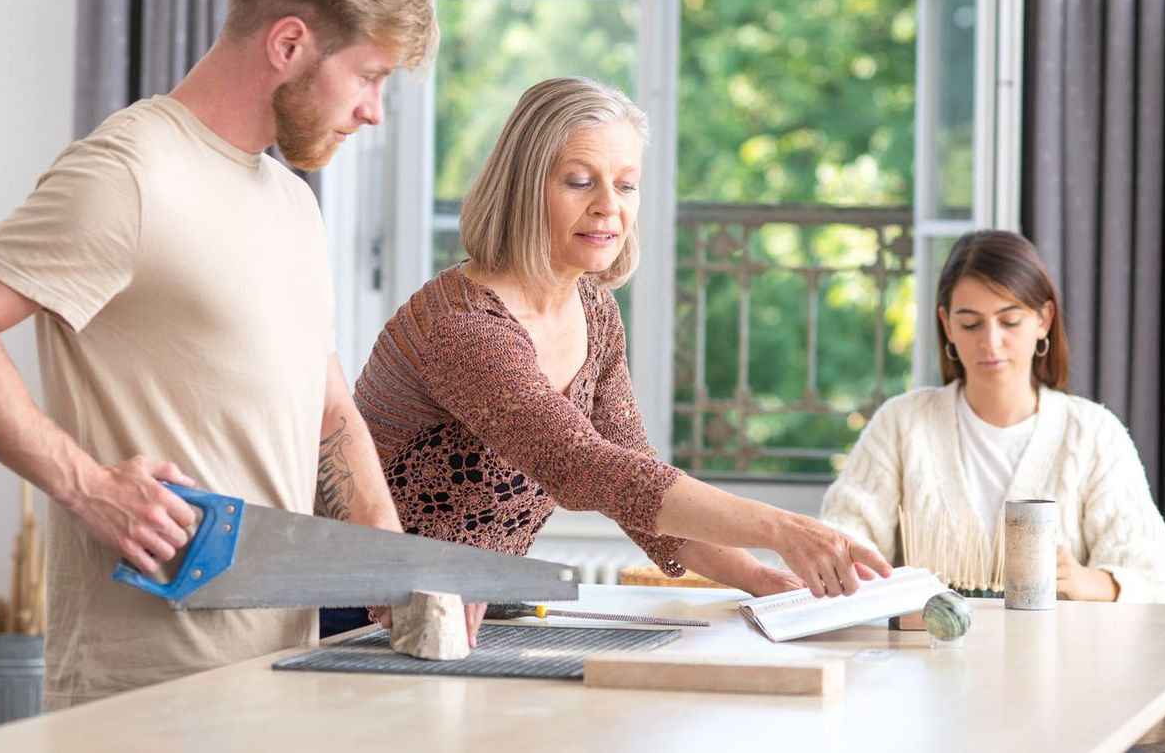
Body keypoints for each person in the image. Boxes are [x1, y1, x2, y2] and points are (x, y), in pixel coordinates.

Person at [0, 0, 436, 707]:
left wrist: (398, 569)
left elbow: (327, 413)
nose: (373, 111)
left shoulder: (292, 205)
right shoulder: (130, 171)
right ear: (289, 44)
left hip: (276, 675)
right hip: (142, 688)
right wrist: (86, 484)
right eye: (368, 76)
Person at [346, 76, 890, 627]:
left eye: (626, 185)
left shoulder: (594, 309)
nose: (608, 206)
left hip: (451, 612)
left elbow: (638, 485)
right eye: (580, 182)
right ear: (522, 188)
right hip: (359, 609)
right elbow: (583, 466)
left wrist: (763, 579)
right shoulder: (463, 328)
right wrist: (784, 529)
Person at [821, 230, 1165, 603]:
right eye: (970, 324)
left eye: (1010, 321)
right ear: (947, 324)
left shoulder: (1094, 434)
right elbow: (840, 544)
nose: (991, 342)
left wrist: (1093, 582)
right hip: (928, 659)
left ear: (1043, 319)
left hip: (1062, 661)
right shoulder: (902, 425)